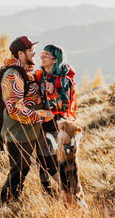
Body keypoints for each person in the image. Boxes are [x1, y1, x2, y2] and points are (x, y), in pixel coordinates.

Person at [0, 36, 54, 203]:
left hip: (29, 131)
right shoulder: (12, 74)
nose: (35, 52)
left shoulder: (26, 71)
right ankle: (7, 204)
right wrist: (42, 116)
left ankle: (48, 196)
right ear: (20, 53)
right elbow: (15, 109)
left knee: (26, 168)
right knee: (18, 171)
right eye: (31, 50)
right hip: (18, 133)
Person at [35, 44, 76, 195]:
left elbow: (65, 106)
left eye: (46, 54)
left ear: (54, 60)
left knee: (51, 160)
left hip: (55, 125)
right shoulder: (40, 75)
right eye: (42, 53)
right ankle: (48, 193)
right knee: (41, 160)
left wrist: (53, 93)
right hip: (41, 123)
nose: (42, 56)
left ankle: (66, 192)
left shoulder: (64, 79)